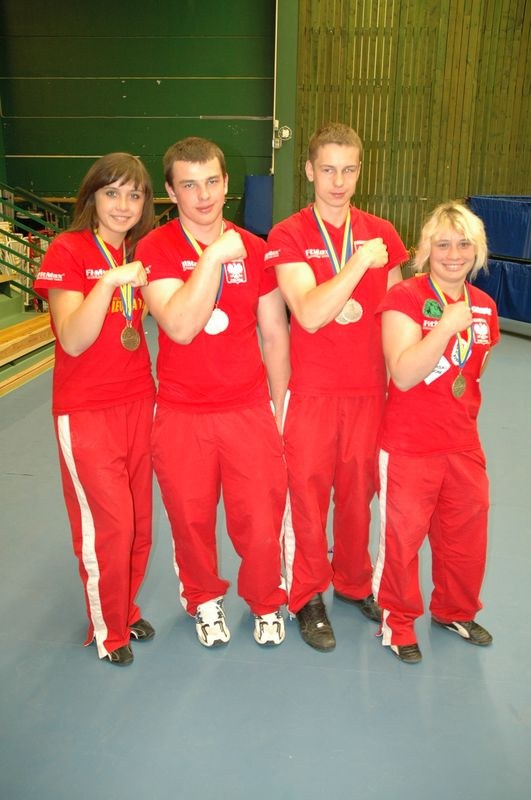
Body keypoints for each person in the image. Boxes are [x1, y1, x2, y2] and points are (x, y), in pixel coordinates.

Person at [136, 136, 289, 648]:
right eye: (189, 184)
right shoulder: (154, 248)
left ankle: (267, 601)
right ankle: (203, 599)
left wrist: (280, 407)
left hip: (248, 409)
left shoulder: (258, 249)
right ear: (170, 192)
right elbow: (178, 325)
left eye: (212, 182)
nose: (203, 195)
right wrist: (215, 257)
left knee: (261, 517)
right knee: (191, 517)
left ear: (226, 183)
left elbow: (274, 335)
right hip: (182, 413)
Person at [265, 122, 409, 651]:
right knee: (304, 497)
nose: (338, 181)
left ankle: (351, 582)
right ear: (308, 170)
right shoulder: (289, 235)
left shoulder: (383, 233)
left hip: (369, 393)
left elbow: (396, 317)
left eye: (349, 170)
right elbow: (307, 312)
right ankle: (306, 594)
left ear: (359, 171)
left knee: (357, 497)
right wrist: (356, 264)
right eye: (328, 169)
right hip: (311, 394)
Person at [34, 153, 156, 667]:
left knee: (139, 522)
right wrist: (107, 282)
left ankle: (124, 608)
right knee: (109, 524)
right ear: (91, 197)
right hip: (86, 411)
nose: (123, 205)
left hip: (137, 402)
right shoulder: (68, 249)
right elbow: (73, 338)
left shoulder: (138, 252)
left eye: (134, 194)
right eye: (112, 192)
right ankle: (109, 630)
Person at [372, 200, 499, 664]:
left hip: (463, 443)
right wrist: (445, 327)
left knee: (466, 537)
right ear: (425, 249)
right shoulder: (404, 297)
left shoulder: (484, 306)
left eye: (463, 243)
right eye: (442, 243)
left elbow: (472, 373)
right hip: (409, 446)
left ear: (477, 250)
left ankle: (454, 611)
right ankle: (398, 621)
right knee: (402, 541)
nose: (453, 253)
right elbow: (403, 374)